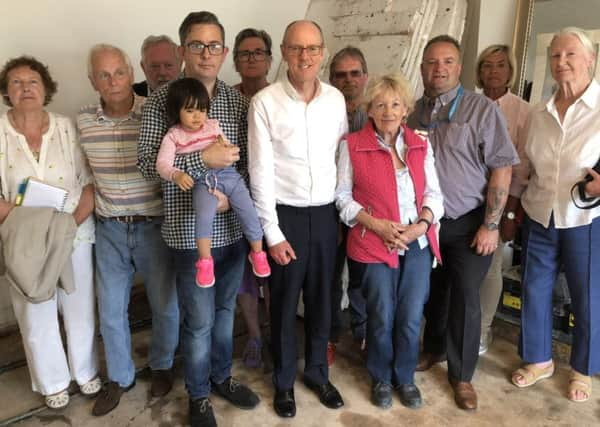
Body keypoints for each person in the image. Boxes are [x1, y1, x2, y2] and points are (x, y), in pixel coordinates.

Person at [138, 11, 259, 427]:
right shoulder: (160, 101)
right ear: (181, 49)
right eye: (196, 45)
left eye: (213, 46)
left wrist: (230, 195)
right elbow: (147, 163)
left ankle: (222, 377)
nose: (206, 54)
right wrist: (199, 158)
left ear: (224, 52)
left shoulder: (236, 102)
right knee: (200, 320)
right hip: (189, 235)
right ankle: (199, 395)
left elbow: (245, 162)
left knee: (225, 311)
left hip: (231, 230)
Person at [407, 35, 519, 410]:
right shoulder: (415, 113)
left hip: (470, 221)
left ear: (458, 67)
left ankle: (462, 375)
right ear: (423, 68)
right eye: (432, 62)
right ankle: (435, 348)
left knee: (467, 299)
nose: (439, 68)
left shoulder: (481, 109)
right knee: (433, 293)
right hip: (428, 223)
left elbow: (502, 167)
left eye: (448, 62)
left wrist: (491, 224)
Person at [248, 20, 346, 418]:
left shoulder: (336, 100)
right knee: (284, 306)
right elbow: (259, 171)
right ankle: (285, 381)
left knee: (324, 302)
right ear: (285, 53)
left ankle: (318, 375)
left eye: (312, 48)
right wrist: (271, 232)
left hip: (325, 215)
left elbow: (342, 161)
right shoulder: (266, 102)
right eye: (296, 48)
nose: (305, 56)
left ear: (322, 52)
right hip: (284, 217)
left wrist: (341, 213)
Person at [78, 44, 180, 416]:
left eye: (118, 72)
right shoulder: (83, 122)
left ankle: (163, 365)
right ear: (92, 80)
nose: (113, 81)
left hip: (153, 225)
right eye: (103, 75)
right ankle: (119, 377)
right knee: (110, 310)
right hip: (109, 230)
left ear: (130, 72)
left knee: (165, 306)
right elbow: (82, 178)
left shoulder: (153, 114)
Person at [336, 73, 444, 409]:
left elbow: (434, 193)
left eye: (395, 104)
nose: (388, 110)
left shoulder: (420, 144)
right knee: (380, 315)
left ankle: (405, 377)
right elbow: (340, 196)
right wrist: (377, 225)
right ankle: (381, 377)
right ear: (369, 109)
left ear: (406, 108)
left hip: (416, 241)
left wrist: (420, 226)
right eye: (380, 104)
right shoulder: (352, 145)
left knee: (411, 316)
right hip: (373, 241)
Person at [0, 56, 100, 409]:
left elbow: (89, 182)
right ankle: (52, 381)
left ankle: (86, 372)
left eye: (33, 81)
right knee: (34, 309)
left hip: (74, 230)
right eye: (16, 82)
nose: (25, 88)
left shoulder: (66, 127)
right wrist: (32, 219)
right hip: (25, 239)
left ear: (46, 89)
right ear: (6, 91)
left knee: (79, 305)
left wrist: (66, 226)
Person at [510, 27, 600, 403]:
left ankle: (583, 368)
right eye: (555, 56)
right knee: (534, 289)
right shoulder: (539, 113)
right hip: (539, 211)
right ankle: (539, 360)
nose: (561, 63)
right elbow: (526, 163)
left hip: (585, 219)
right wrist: (514, 208)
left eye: (570, 55)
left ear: (591, 61)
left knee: (588, 296)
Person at [156, 77, 270, 287]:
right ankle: (205, 260)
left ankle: (258, 252)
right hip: (203, 181)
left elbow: (229, 149)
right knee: (204, 215)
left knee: (248, 210)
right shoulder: (174, 136)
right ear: (176, 111)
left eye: (202, 109)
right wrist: (176, 175)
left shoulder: (213, 125)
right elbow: (161, 164)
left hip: (229, 176)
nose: (197, 116)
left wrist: (227, 149)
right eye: (190, 110)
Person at [475, 44, 531, 355]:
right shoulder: (468, 104)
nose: (493, 71)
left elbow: (522, 166)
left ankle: (482, 329)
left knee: (491, 267)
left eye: (500, 65)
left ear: (510, 70)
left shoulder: (523, 111)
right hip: (467, 200)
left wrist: (510, 213)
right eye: (487, 65)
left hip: (503, 201)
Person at [232, 27, 273, 369]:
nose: (252, 58)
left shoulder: (280, 99)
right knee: (245, 277)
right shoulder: (226, 102)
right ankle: (255, 337)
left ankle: (275, 335)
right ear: (235, 61)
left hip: (274, 202)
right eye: (245, 53)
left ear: (270, 59)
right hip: (234, 203)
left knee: (274, 274)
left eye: (258, 52)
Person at [327, 45, 369, 365]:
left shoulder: (377, 113)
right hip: (328, 206)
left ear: (365, 77)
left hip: (366, 210)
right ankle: (329, 336)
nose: (348, 80)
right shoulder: (322, 111)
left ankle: (363, 335)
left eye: (355, 73)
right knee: (329, 277)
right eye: (341, 74)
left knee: (362, 277)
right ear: (331, 78)